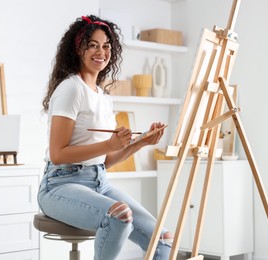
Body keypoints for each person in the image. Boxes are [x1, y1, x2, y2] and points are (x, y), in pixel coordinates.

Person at [38, 15, 173, 260]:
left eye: (106, 46)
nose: (101, 51)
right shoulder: (71, 89)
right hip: (59, 185)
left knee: (162, 240)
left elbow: (106, 160)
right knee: (119, 215)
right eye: (93, 45)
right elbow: (58, 154)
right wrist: (108, 144)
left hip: (98, 181)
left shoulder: (103, 96)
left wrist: (141, 143)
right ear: (79, 49)